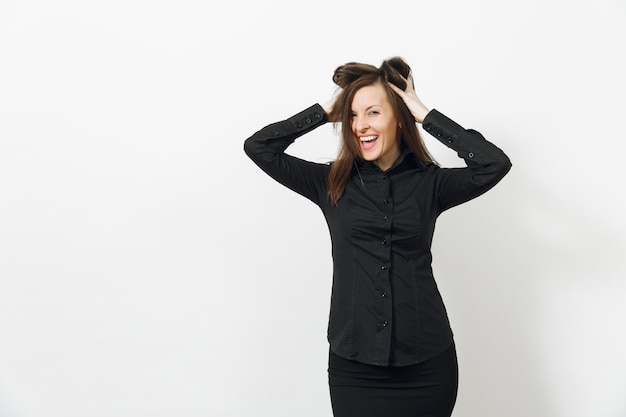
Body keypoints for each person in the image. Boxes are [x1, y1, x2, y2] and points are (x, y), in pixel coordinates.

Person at [243, 56, 511, 417]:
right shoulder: (329, 183)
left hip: (427, 363)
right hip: (355, 368)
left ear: (398, 118)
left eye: (372, 113)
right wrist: (324, 110)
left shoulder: (431, 184)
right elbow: (259, 147)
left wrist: (422, 111)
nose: (359, 125)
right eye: (352, 115)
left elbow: (493, 164)